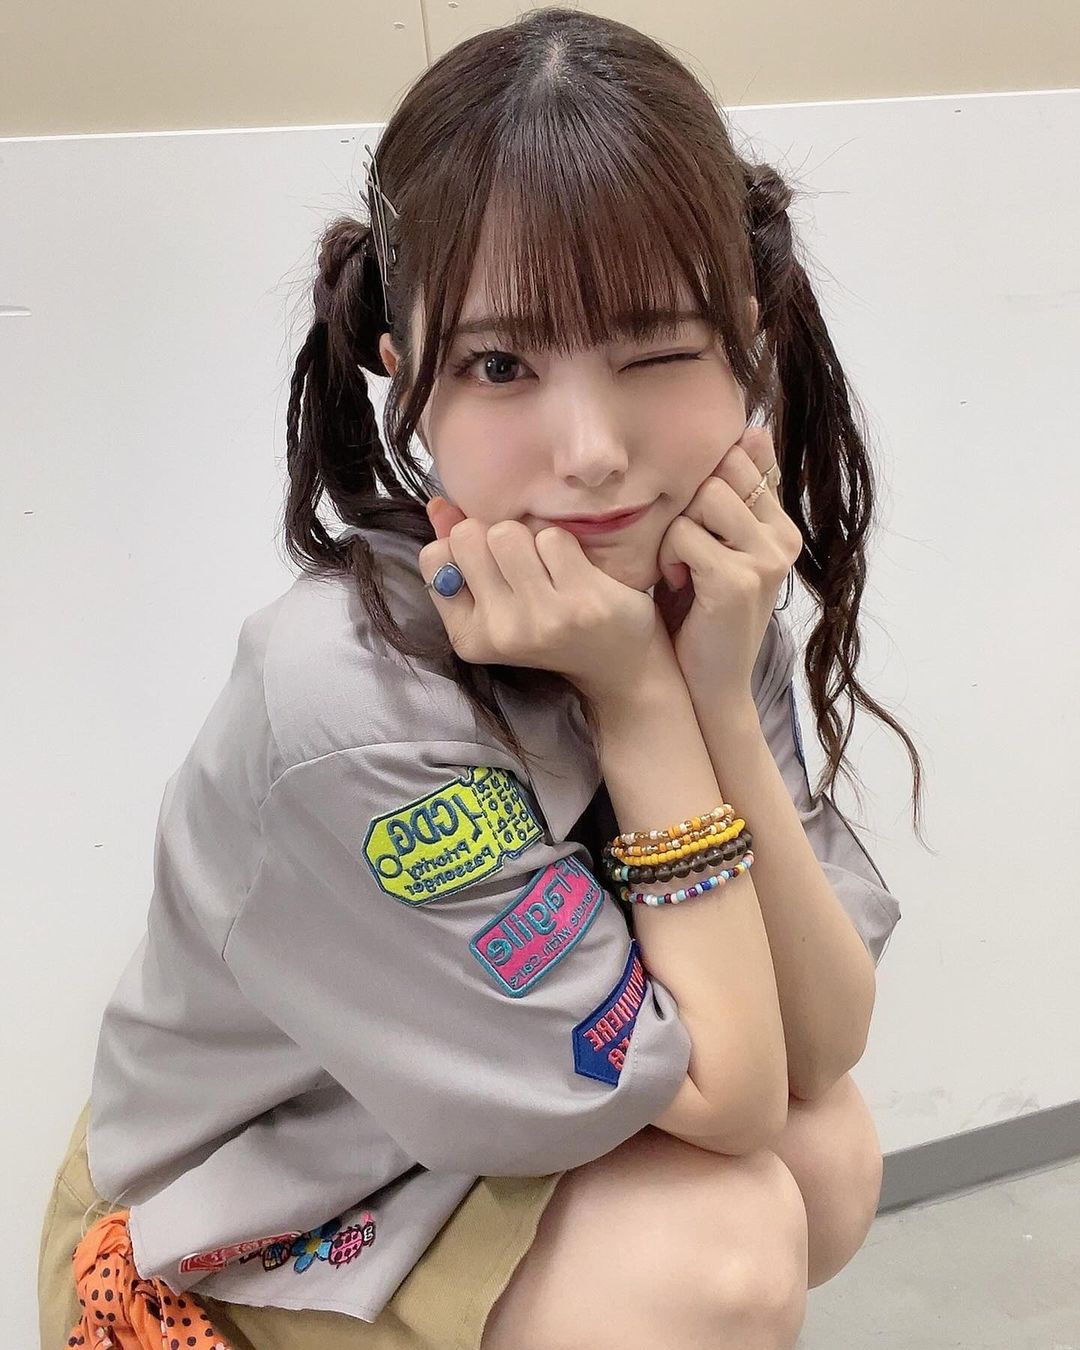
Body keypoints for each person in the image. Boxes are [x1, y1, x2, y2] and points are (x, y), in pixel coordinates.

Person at [38, 7, 921, 1349]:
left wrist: (714, 694)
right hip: (231, 1225)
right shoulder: (349, 705)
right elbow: (732, 1094)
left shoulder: (689, 585)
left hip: (452, 1128)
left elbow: (821, 1039)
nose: (593, 450)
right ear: (405, 377)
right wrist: (641, 698)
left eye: (659, 348)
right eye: (502, 364)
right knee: (723, 1249)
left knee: (830, 1152)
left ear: (748, 339)